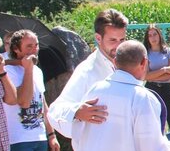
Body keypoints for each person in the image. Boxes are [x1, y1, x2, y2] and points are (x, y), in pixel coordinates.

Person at [48, 9, 126, 138]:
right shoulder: (87, 70)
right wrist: (76, 112)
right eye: (113, 40)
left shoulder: (127, 63)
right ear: (98, 38)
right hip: (98, 148)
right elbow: (55, 110)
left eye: (122, 40)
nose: (118, 46)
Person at [143, 25, 170, 131]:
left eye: (155, 34)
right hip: (151, 89)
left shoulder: (169, 52)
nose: (153, 38)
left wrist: (154, 74)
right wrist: (164, 70)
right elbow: (146, 76)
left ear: (159, 35)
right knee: (155, 124)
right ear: (147, 38)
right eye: (150, 35)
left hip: (167, 89)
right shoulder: (145, 53)